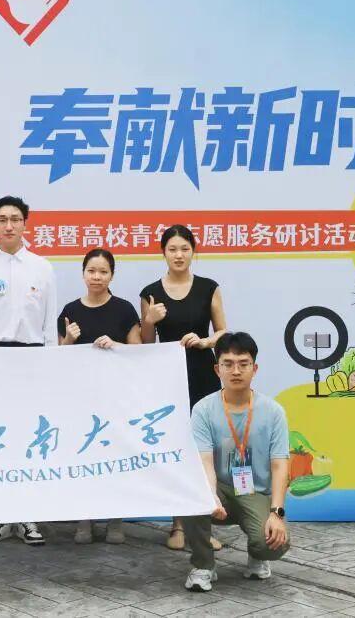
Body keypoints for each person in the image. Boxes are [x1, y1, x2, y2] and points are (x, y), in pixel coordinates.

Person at [0, 195, 57, 546]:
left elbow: (49, 322)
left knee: (30, 437)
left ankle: (29, 515)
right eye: (1, 219)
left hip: (32, 358)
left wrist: (51, 364)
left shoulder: (42, 268)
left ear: (25, 224)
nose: (9, 225)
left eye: (15, 218)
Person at [140, 224, 227, 552]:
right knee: (176, 449)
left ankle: (202, 526)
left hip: (203, 373)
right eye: (172, 249)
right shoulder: (151, 292)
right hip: (168, 380)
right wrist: (149, 320)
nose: (179, 255)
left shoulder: (209, 288)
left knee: (204, 450)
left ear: (193, 251)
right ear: (163, 253)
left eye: (185, 249)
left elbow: (223, 332)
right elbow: (145, 344)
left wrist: (205, 341)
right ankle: (177, 525)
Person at [181, 332, 290, 592]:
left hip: (254, 492)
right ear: (217, 369)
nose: (236, 371)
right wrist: (210, 495)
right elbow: (204, 460)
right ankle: (203, 566)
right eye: (228, 364)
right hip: (219, 487)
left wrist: (276, 514)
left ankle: (258, 556)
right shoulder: (203, 410)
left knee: (273, 544)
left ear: (255, 368)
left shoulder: (273, 411)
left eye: (243, 364)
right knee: (189, 495)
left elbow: (280, 465)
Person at [58, 248, 140, 545]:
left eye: (103, 271)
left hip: (116, 396)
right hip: (81, 397)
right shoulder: (70, 310)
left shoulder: (124, 309)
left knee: (114, 457)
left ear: (112, 275)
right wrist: (69, 339)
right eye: (91, 271)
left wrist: (116, 344)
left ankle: (115, 520)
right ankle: (85, 519)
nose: (97, 277)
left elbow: (138, 353)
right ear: (83, 273)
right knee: (84, 457)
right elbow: (58, 358)